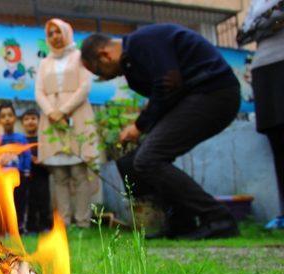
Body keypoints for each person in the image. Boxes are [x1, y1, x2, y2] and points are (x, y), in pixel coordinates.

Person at [81, 24, 241, 239]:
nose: (106, 78)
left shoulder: (142, 42)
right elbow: (165, 93)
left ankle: (218, 218)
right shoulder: (133, 61)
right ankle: (180, 223)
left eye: (99, 72)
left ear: (104, 55)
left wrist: (139, 126)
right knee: (134, 162)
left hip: (214, 92)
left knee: (148, 159)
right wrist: (142, 124)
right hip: (192, 98)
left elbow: (169, 84)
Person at [35, 19, 99, 228]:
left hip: (77, 115)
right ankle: (64, 222)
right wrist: (51, 112)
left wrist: (63, 110)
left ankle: (82, 221)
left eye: (58, 32)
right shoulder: (45, 62)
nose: (55, 36)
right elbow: (39, 91)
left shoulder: (79, 57)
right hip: (51, 120)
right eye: (51, 33)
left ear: (67, 32)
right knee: (60, 175)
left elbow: (84, 87)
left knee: (79, 173)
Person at [239, 0, 284, 229]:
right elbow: (243, 34)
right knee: (276, 140)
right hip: (264, 67)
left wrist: (267, 21)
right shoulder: (257, 3)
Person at [0, 102, 31, 233]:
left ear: (15, 118)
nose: (7, 119)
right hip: (2, 178)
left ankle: (20, 227)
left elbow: (26, 155)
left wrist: (26, 170)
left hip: (19, 177)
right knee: (4, 204)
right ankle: (5, 228)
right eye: (3, 116)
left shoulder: (21, 138)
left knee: (20, 203)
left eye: (10, 115)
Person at [21, 108, 52, 233]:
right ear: (22, 123)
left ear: (39, 121)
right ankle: (31, 227)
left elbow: (50, 158)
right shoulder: (21, 141)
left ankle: (45, 226)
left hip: (42, 176)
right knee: (30, 202)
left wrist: (42, 161)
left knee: (44, 201)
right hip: (27, 178)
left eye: (33, 118)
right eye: (26, 119)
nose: (30, 122)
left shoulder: (43, 141)